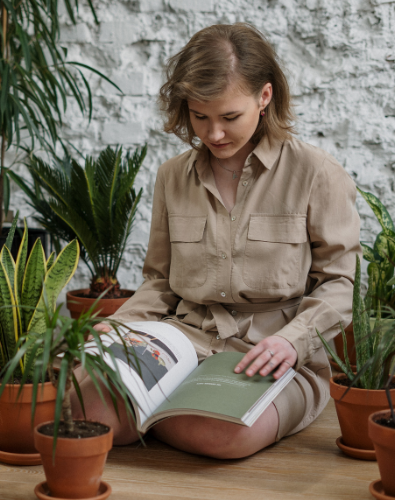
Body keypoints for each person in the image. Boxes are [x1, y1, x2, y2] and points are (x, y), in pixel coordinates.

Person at [76, 23, 361, 459]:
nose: (213, 135)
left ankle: (145, 415)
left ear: (264, 98)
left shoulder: (316, 173)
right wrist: (121, 325)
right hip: (183, 339)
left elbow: (340, 283)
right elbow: (159, 281)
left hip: (275, 354)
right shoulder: (173, 175)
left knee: (224, 434)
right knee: (83, 397)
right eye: (199, 117)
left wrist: (292, 340)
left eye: (230, 117)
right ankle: (158, 408)